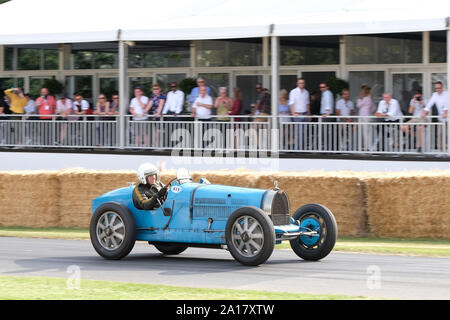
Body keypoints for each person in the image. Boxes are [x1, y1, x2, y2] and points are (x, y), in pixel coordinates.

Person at [289, 78, 310, 149]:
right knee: (298, 133)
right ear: (297, 84)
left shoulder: (306, 92)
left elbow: (307, 104)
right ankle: (297, 149)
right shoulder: (293, 92)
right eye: (300, 83)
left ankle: (303, 148)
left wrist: (309, 115)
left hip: (305, 114)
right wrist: (293, 113)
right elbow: (291, 103)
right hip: (297, 114)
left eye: (303, 83)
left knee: (304, 133)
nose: (301, 84)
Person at [356, 85, 376, 151]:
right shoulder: (370, 97)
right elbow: (373, 108)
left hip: (365, 116)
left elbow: (358, 105)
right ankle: (368, 146)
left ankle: (368, 147)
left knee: (365, 132)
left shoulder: (366, 98)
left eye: (363, 90)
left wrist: (360, 98)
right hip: (366, 116)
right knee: (366, 132)